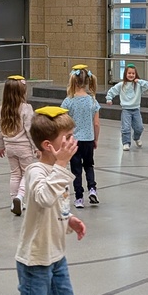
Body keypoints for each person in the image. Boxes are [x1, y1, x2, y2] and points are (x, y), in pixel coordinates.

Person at [0, 106, 104, 295]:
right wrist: (61, 166)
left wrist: (70, 221)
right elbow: (43, 198)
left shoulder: (56, 169)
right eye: (67, 137)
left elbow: (55, 207)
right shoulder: (35, 171)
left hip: (56, 256)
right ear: (48, 145)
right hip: (35, 261)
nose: (72, 141)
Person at [61, 64, 100, 208]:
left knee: (76, 169)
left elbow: (62, 122)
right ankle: (92, 189)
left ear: (73, 81)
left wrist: (64, 138)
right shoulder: (93, 101)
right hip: (88, 139)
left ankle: (78, 198)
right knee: (89, 166)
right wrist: (95, 139)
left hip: (74, 141)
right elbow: (96, 123)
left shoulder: (68, 101)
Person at [0, 75, 35, 216]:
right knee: (27, 173)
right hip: (24, 148)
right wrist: (36, 148)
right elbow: (30, 130)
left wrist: (1, 146)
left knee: (14, 174)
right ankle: (20, 196)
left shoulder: (2, 109)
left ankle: (14, 201)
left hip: (9, 147)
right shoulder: (26, 108)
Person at [105, 63, 148, 150]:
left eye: (133, 73)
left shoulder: (138, 85)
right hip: (126, 110)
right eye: (129, 73)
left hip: (136, 109)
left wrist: (140, 81)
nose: (131, 75)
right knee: (126, 127)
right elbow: (112, 91)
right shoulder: (121, 85)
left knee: (139, 127)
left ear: (135, 74)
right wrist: (109, 98)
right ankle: (126, 143)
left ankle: (136, 138)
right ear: (125, 74)